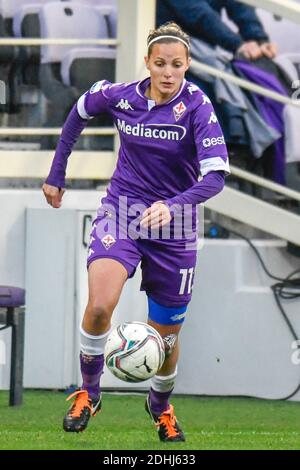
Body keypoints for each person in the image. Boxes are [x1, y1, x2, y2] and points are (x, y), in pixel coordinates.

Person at [42, 21, 229, 442]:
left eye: (176, 65)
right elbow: (79, 112)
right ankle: (89, 392)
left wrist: (175, 205)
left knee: (164, 341)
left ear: (187, 65)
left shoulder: (198, 107)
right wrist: (57, 172)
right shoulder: (120, 95)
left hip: (175, 224)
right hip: (122, 211)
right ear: (146, 62)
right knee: (99, 307)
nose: (168, 72)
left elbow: (216, 176)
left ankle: (160, 407)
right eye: (160, 63)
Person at [156, 0, 277, 61]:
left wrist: (259, 39)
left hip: (204, 53)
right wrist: (239, 45)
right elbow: (198, 13)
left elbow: (239, 6)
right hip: (170, 53)